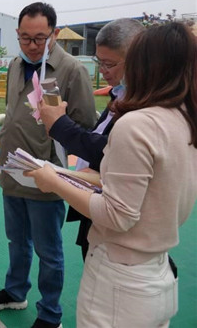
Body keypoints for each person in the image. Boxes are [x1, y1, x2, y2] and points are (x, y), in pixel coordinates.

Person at [27, 21, 197, 327]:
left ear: (145, 65)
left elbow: (117, 215)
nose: (108, 70)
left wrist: (54, 182)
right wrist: (69, 175)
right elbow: (140, 185)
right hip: (157, 271)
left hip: (120, 278)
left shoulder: (138, 123)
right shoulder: (184, 118)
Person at [0, 2, 97, 328]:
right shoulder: (16, 64)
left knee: (49, 250)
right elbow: (12, 108)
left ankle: (50, 314)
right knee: (16, 240)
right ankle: (16, 292)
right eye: (25, 38)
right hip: (12, 168)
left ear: (54, 34)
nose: (32, 45)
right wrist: (4, 135)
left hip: (46, 175)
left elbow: (86, 126)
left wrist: (54, 136)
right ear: (17, 34)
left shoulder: (72, 70)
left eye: (40, 38)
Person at [38, 18, 144, 260]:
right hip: (94, 203)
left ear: (138, 60)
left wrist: (60, 125)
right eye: (99, 62)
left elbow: (109, 149)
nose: (103, 70)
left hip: (114, 220)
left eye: (109, 64)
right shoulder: (120, 93)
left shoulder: (144, 106)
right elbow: (99, 137)